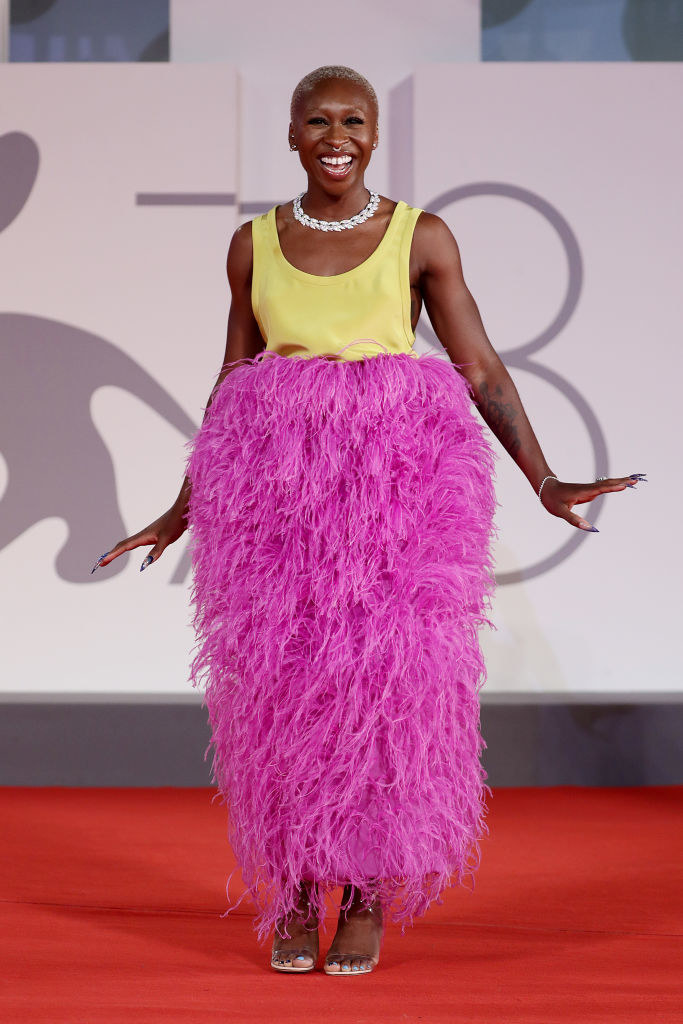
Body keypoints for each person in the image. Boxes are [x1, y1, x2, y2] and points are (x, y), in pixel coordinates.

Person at [92, 65, 644, 977]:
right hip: (279, 502)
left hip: (398, 495)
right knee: (290, 695)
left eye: (354, 119)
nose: (336, 134)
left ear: (375, 135)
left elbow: (481, 369)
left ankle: (373, 893)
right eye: (318, 120)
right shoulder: (253, 244)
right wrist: (181, 507)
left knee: (390, 695)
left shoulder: (419, 237)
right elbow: (234, 383)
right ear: (294, 135)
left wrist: (543, 479)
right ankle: (305, 890)